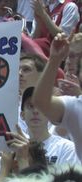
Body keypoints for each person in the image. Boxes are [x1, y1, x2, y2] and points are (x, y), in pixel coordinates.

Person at [32, 32, 82, 161]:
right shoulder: (75, 104)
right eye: (69, 56)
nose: (71, 62)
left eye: (77, 57)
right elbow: (40, 102)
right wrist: (54, 59)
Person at [20, 87, 80, 165]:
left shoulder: (66, 148)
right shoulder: (18, 150)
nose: (35, 111)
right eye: (30, 106)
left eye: (40, 106)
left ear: (49, 112)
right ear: (22, 115)